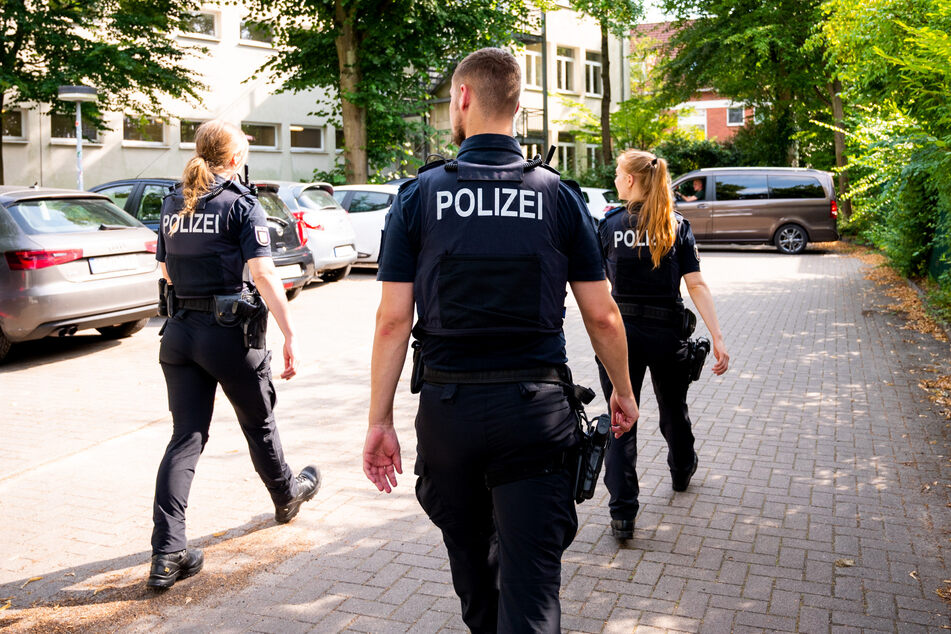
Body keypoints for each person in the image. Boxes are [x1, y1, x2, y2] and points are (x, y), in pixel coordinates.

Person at [361, 48, 640, 632]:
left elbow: (392, 322)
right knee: (532, 592)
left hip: (448, 414)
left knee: (475, 583)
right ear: (517, 105)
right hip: (535, 416)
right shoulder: (558, 197)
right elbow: (604, 315)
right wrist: (622, 390)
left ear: (462, 98)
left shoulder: (418, 197)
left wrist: (379, 420)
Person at [148, 119, 320, 590]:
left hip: (180, 335)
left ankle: (167, 554)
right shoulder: (241, 204)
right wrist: (290, 333)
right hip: (228, 336)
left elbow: (165, 270)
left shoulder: (172, 202)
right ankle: (286, 496)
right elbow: (264, 275)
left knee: (185, 438)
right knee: (258, 422)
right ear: (236, 159)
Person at [597, 150, 729, 540]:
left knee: (620, 417)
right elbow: (696, 285)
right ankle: (681, 469)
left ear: (633, 180)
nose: (617, 178)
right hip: (667, 333)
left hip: (620, 336)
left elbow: (598, 284)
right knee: (674, 406)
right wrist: (717, 338)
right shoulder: (676, 226)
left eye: (620, 173)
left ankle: (622, 514)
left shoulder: (609, 225)